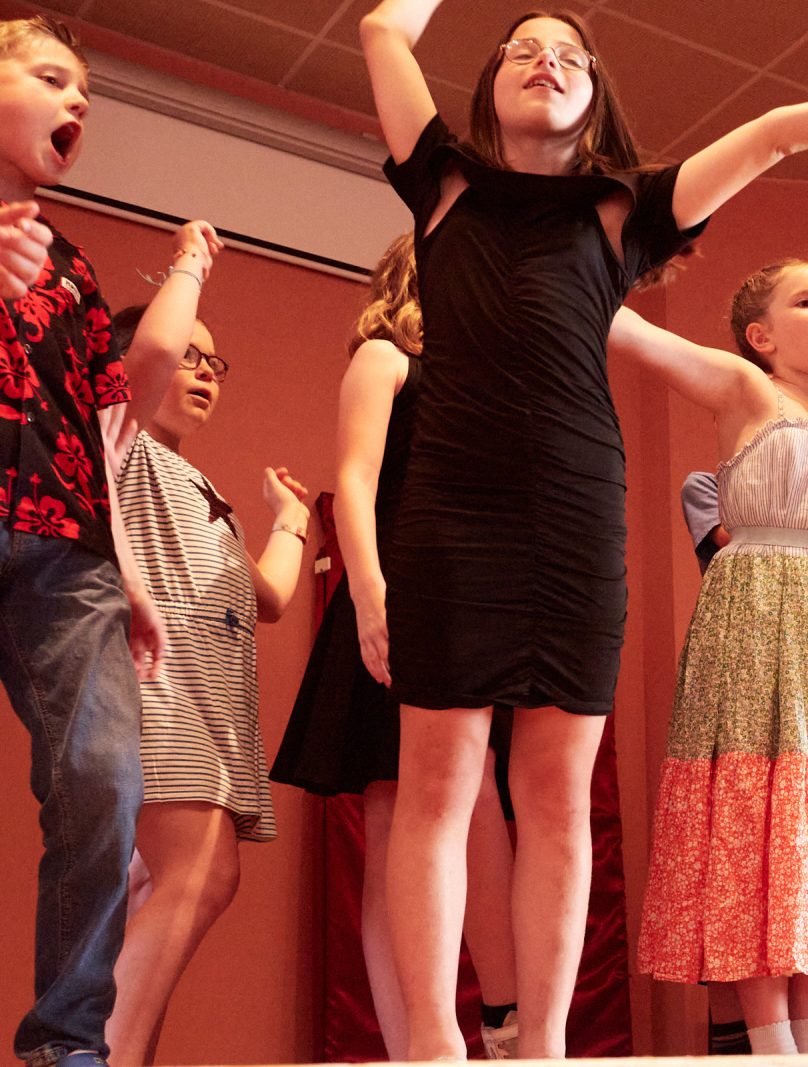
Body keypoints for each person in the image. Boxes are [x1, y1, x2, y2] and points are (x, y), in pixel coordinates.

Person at [359, 0, 808, 1052]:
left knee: (555, 790)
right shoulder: (443, 184)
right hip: (452, 510)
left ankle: (542, 1044)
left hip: (576, 516)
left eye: (571, 54)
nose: (547, 61)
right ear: (488, 85)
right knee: (439, 782)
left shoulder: (620, 211)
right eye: (524, 49)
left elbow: (774, 133)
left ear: (595, 99)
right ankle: (440, 1047)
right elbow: (379, 30)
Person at [617, 260, 808, 1055]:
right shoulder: (747, 389)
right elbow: (630, 331)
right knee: (760, 818)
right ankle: (773, 1046)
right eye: (806, 300)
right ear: (761, 336)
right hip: (762, 609)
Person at [0, 15, 204, 1066]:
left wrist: (127, 571)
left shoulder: (74, 270)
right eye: (50, 77)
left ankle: (67, 1048)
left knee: (109, 782)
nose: (77, 100)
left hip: (68, 554)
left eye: (85, 92)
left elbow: (98, 431)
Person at [268, 234, 520, 1059]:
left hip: (471, 608)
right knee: (393, 817)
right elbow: (355, 482)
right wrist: (372, 597)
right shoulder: (385, 359)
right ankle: (419, 1040)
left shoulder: (488, 381)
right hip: (400, 596)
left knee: (476, 795)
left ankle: (503, 1021)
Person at [99, 298, 307, 1064]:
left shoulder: (199, 486)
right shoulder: (119, 443)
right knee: (204, 871)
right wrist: (189, 264)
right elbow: (138, 367)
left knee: (162, 891)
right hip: (158, 694)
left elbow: (269, 596)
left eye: (213, 362)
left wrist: (289, 519)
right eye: (187, 355)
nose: (204, 373)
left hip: (210, 713)